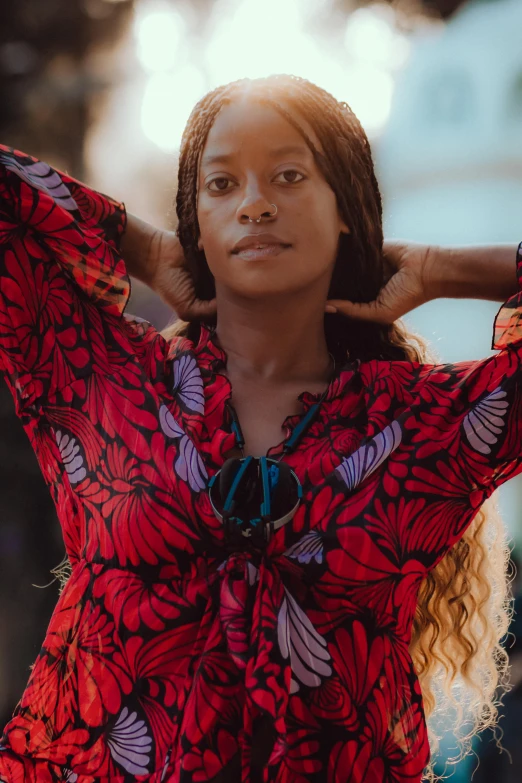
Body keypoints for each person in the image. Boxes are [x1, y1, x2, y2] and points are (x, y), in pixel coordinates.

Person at [0, 73, 519, 783]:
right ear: (196, 222)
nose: (254, 204)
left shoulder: (425, 426)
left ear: (346, 208)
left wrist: (441, 268)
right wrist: (142, 245)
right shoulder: (100, 379)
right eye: (220, 186)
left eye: (288, 174)